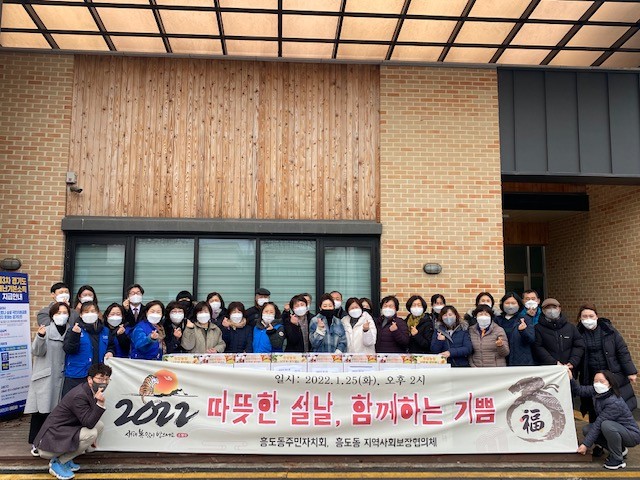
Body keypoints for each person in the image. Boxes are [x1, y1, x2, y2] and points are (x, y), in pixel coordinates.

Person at [34, 363, 111, 480]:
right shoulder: (80, 395)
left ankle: (67, 458)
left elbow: (89, 420)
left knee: (99, 425)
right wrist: (100, 404)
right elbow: (89, 423)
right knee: (91, 433)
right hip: (51, 441)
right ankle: (58, 463)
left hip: (65, 431)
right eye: (100, 378)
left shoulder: (90, 390)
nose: (104, 382)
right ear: (90, 379)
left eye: (107, 379)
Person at [576, 303, 637, 426]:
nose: (588, 319)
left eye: (591, 316)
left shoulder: (609, 331)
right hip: (591, 377)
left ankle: (617, 434)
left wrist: (630, 371)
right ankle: (598, 435)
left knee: (616, 405)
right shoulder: (577, 334)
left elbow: (622, 350)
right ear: (580, 319)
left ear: (597, 316)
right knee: (594, 406)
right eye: (584, 316)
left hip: (612, 375)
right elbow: (575, 356)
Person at [25, 302, 69, 457]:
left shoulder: (72, 331)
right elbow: (36, 351)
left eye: (64, 312)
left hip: (63, 377)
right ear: (52, 315)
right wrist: (40, 337)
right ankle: (36, 442)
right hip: (46, 377)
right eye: (58, 313)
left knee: (57, 413)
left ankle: (53, 442)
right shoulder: (46, 330)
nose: (62, 315)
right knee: (41, 411)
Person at [573, 370, 640, 470]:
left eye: (602, 381)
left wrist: (585, 445)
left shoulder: (613, 402)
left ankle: (617, 459)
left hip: (631, 435)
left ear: (610, 384)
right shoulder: (597, 391)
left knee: (605, 425)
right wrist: (570, 378)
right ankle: (620, 450)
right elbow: (580, 390)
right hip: (616, 429)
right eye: (595, 381)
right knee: (587, 429)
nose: (598, 384)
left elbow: (599, 423)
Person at [62, 301, 109, 397]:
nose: (90, 314)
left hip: (97, 376)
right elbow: (68, 349)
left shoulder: (105, 331)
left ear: (98, 313)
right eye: (86, 312)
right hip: (77, 375)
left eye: (93, 311)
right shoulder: (73, 329)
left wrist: (110, 352)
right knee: (74, 402)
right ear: (81, 314)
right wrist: (75, 335)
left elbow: (111, 346)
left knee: (95, 402)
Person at [533, 298, 585, 373]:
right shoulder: (538, 328)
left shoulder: (570, 327)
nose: (551, 310)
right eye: (548, 308)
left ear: (559, 309)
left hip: (569, 369)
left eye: (554, 307)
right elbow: (538, 347)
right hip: (548, 370)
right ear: (543, 311)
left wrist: (573, 361)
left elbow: (579, 345)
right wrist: (554, 363)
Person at [495, 292, 535, 366]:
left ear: (519, 304)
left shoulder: (525, 319)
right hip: (501, 360)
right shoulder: (497, 320)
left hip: (521, 361)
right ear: (502, 304)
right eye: (507, 303)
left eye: (513, 303)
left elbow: (531, 339)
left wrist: (523, 331)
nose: (510, 306)